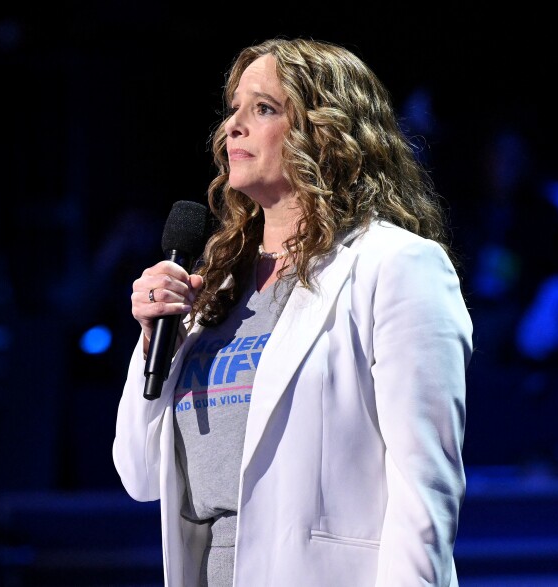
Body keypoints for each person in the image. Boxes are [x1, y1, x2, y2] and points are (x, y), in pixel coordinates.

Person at [112, 37, 472, 587]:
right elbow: (141, 476)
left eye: (263, 108)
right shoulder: (214, 288)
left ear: (326, 134)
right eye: (233, 109)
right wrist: (149, 341)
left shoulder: (396, 266)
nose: (233, 126)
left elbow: (425, 489)